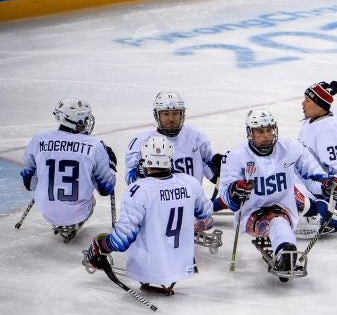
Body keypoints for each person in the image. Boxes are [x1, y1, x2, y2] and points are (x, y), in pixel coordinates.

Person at [219, 109, 337, 276]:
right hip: (251, 214)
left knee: (280, 219)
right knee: (276, 221)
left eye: (269, 130)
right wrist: (235, 191)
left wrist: (327, 185)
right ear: (250, 133)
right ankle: (285, 252)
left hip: (284, 208)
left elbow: (313, 176)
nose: (266, 135)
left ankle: (286, 253)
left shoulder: (292, 148)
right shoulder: (235, 156)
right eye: (260, 131)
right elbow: (227, 193)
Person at [83, 135, 211, 294]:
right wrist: (194, 227)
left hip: (148, 270)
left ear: (145, 160)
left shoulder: (138, 190)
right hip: (182, 267)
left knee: (103, 238)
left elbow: (122, 241)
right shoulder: (190, 182)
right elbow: (207, 217)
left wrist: (100, 246)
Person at [123, 91, 222, 245]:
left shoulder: (196, 136)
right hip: (157, 208)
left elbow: (208, 166)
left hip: (188, 206)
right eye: (166, 114)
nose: (171, 119)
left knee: (206, 220)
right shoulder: (141, 142)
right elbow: (131, 181)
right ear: (157, 115)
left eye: (175, 113)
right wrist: (140, 173)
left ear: (182, 114)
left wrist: (219, 168)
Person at [20, 97, 116, 242]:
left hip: (46, 211)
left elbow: (29, 184)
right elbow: (105, 189)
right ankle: (71, 223)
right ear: (78, 121)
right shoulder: (94, 145)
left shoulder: (39, 139)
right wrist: (111, 162)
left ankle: (59, 219)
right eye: (86, 118)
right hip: (77, 213)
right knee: (90, 186)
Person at [294, 80, 337, 233]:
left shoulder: (327, 131)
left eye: (307, 100)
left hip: (320, 190)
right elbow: (324, 101)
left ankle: (314, 208)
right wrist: (326, 91)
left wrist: (332, 207)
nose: (302, 104)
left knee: (276, 183)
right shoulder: (325, 115)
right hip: (309, 177)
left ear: (319, 105)